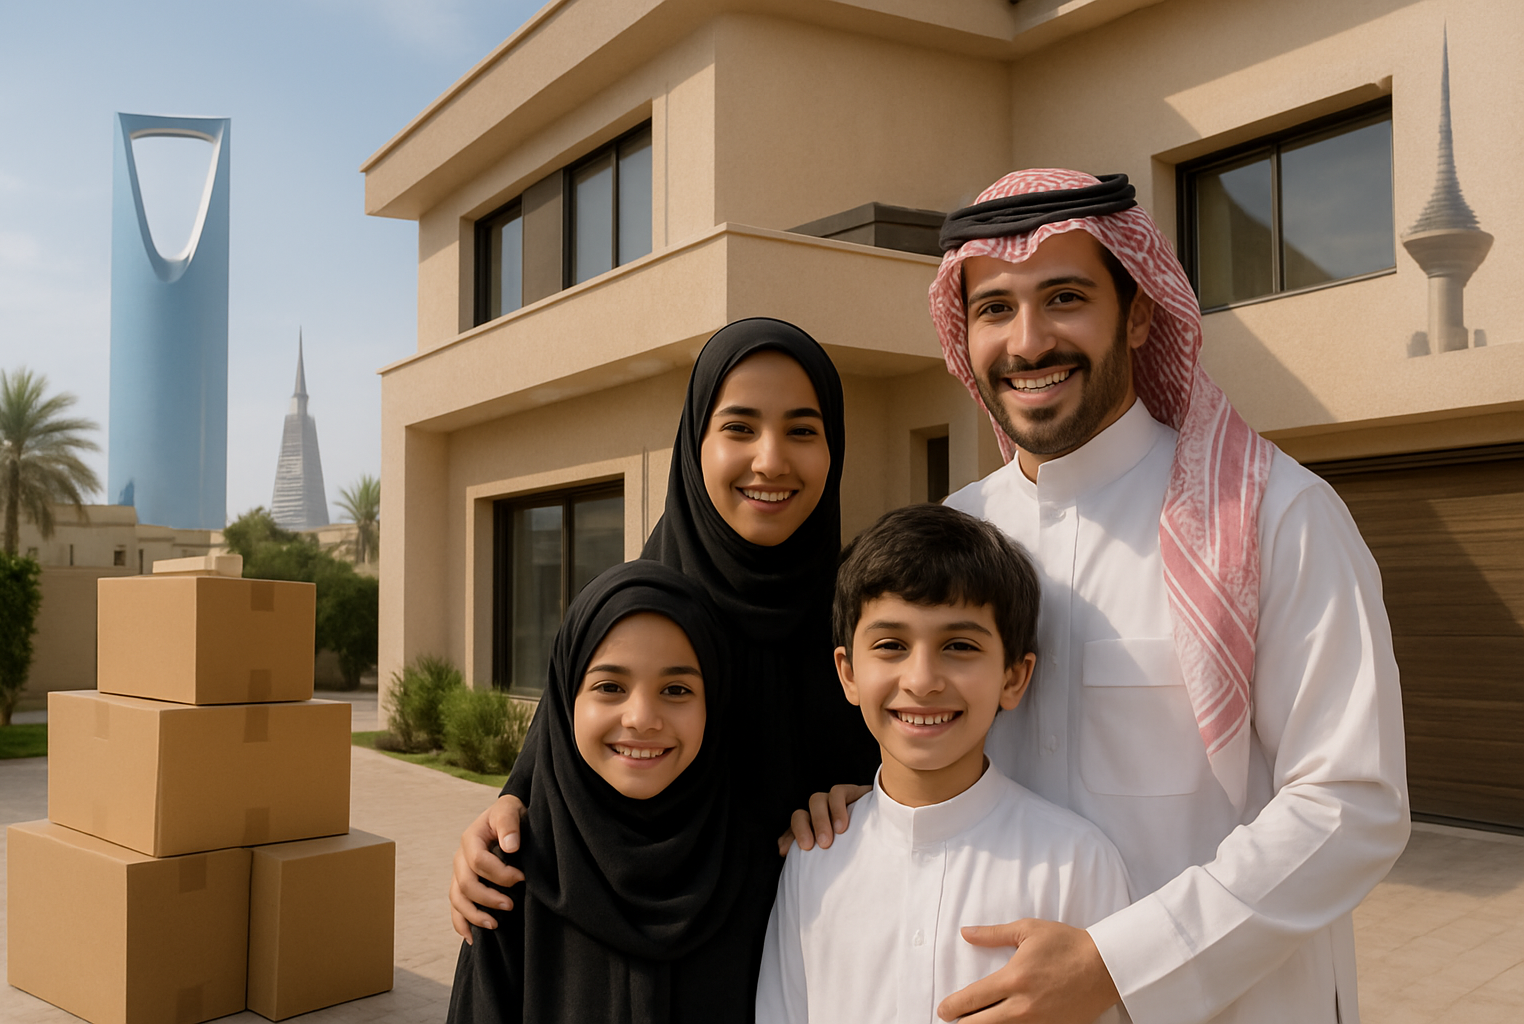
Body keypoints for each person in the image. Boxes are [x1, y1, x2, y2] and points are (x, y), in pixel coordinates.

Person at [794, 169, 1409, 1023]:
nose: (1029, 340)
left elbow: (1351, 803)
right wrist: (870, 803)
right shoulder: (960, 529)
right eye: (995, 308)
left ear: (1142, 311)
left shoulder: (1272, 514)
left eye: (1066, 297)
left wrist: (1121, 965)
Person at [449, 318, 877, 939]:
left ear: (833, 448)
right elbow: (539, 796)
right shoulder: (631, 616)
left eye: (802, 430)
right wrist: (490, 837)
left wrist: (882, 811)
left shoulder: (869, 628)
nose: (771, 459)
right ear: (694, 443)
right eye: (738, 427)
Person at [754, 503, 1131, 1024]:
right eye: (891, 645)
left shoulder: (1076, 863)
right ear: (847, 673)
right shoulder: (816, 859)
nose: (923, 679)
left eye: (959, 645)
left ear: (1013, 677)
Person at [445, 559, 779, 1024]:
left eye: (678, 689)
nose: (641, 717)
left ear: (715, 703)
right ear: (565, 701)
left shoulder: (760, 868)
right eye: (609, 686)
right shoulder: (510, 876)